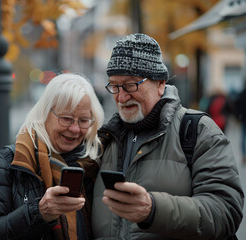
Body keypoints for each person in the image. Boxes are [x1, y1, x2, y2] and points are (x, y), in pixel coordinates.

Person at [92, 33, 244, 239]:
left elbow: (225, 212)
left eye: (130, 85)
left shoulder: (198, 131)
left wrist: (153, 210)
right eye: (114, 86)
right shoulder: (104, 139)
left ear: (160, 83)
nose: (121, 96)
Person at [0, 73, 104, 239]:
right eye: (66, 118)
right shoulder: (10, 161)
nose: (75, 129)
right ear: (45, 114)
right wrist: (39, 212)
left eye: (84, 120)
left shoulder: (95, 164)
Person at [235, 87, 246, 165]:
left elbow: (237, 105)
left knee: (243, 137)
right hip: (243, 118)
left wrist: (238, 116)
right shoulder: (242, 93)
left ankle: (244, 155)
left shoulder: (242, 93)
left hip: (243, 118)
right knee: (243, 137)